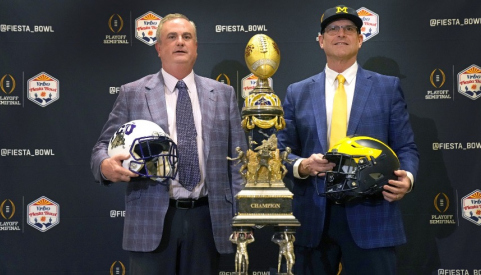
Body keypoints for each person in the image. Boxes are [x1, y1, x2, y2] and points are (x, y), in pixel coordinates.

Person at [90, 13, 247, 275]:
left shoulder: (223, 94)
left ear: (196, 47)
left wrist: (242, 216)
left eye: (187, 37)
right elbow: (101, 148)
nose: (180, 42)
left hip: (208, 219)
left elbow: (239, 161)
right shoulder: (133, 93)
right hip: (151, 220)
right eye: (172, 37)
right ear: (159, 48)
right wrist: (105, 166)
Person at [276, 5, 419, 275]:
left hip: (372, 213)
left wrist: (407, 179)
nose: (341, 34)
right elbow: (282, 150)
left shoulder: (387, 88)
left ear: (360, 39)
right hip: (314, 218)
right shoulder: (297, 92)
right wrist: (303, 165)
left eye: (349, 29)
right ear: (321, 40)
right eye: (333, 28)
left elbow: (406, 147)